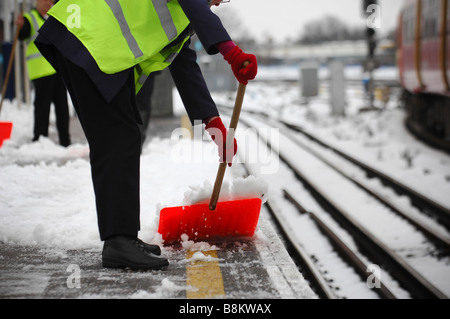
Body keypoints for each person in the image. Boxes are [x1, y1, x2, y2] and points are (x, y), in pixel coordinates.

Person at [34, 0, 257, 270]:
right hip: (87, 37)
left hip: (94, 45)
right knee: (119, 137)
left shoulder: (180, 18)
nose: (221, 2)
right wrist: (230, 51)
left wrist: (213, 124)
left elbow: (184, 64)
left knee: (120, 136)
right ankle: (119, 241)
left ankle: (122, 238)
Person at [16, 0, 71, 147]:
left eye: (50, 1)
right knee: (42, 106)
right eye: (45, 0)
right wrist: (20, 28)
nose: (48, 3)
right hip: (40, 71)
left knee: (62, 107)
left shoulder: (53, 17)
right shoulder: (29, 18)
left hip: (57, 70)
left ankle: (65, 141)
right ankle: (39, 140)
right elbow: (23, 34)